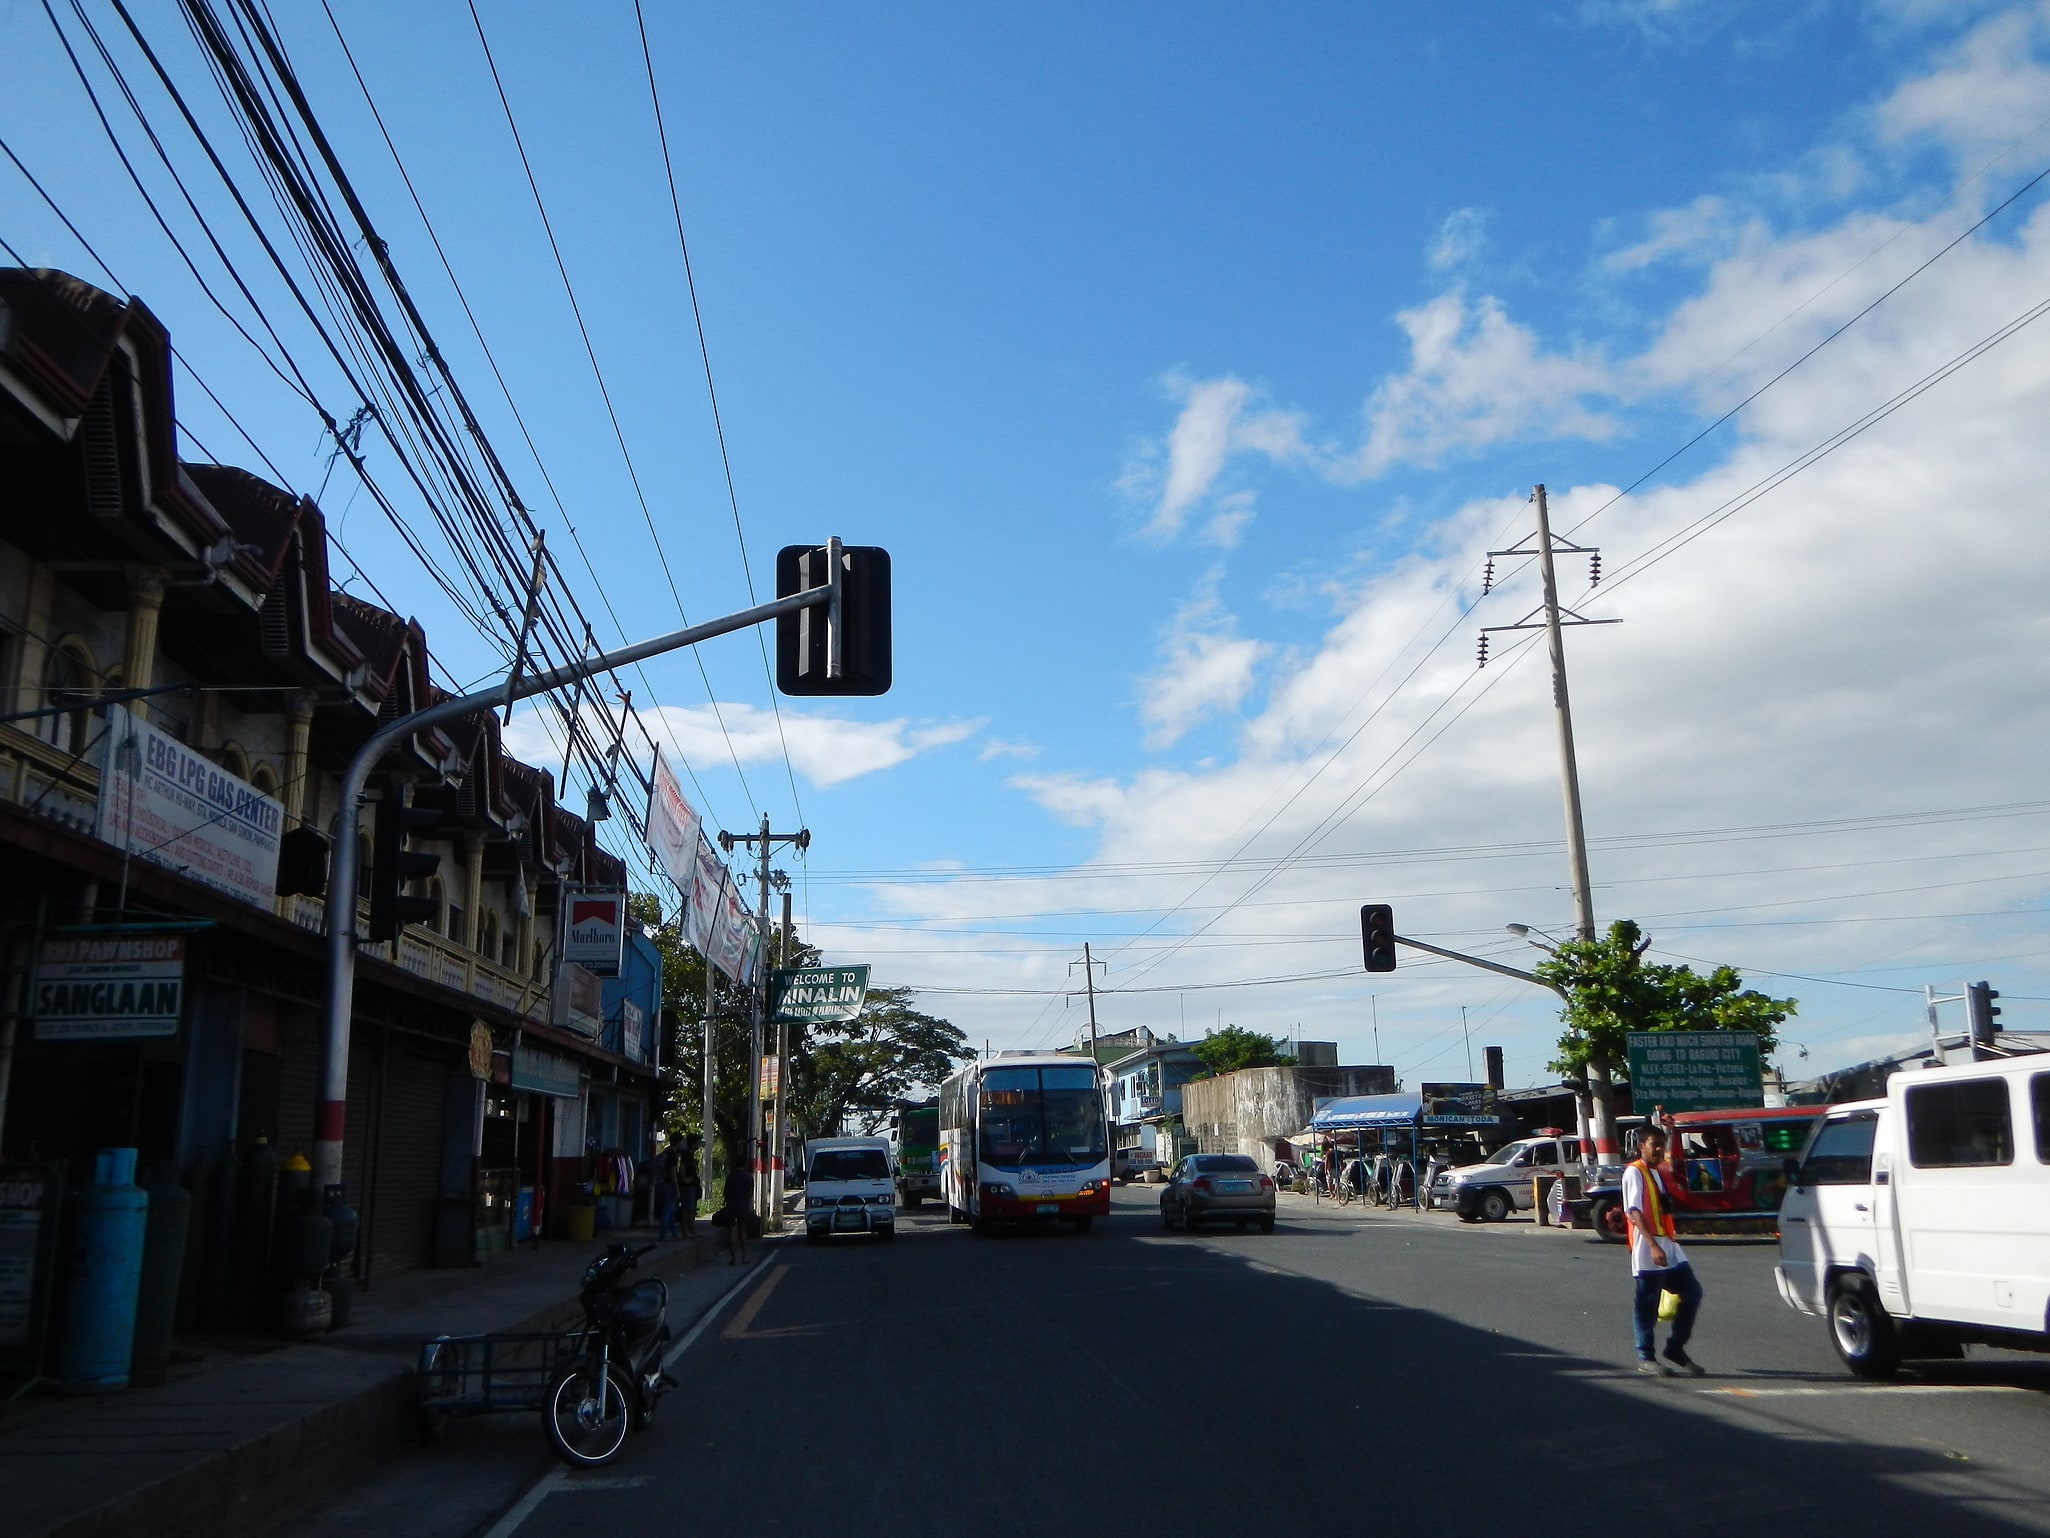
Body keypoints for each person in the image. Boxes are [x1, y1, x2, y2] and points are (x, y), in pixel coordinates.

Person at [1624, 1123, 1705, 1376]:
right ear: (1641, 1147)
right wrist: (1652, 1245)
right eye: (1654, 1145)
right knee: (1647, 1302)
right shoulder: (1634, 1172)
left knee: (1692, 1292)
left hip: (1668, 1244)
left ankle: (1675, 1348)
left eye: (1662, 1145)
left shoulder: (1655, 1172)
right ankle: (1645, 1356)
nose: (1659, 1149)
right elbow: (1633, 1211)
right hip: (1648, 1247)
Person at [720, 1155, 754, 1266]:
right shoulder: (748, 1177)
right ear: (744, 1165)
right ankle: (745, 1257)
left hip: (731, 1205)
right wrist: (749, 1207)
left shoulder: (731, 1176)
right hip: (743, 1205)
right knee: (742, 1230)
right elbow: (749, 1194)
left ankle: (734, 1258)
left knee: (731, 1231)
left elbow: (725, 1192)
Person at [651, 1141, 681, 1242]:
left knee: (671, 1210)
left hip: (661, 1183)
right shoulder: (673, 1156)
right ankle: (662, 1235)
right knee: (668, 1210)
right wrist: (677, 1188)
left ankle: (674, 1233)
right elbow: (673, 1173)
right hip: (670, 1184)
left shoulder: (665, 1152)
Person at [676, 1138, 702, 1238]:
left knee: (690, 1209)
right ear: (693, 1144)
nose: (699, 1145)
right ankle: (685, 1231)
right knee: (686, 1209)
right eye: (698, 1142)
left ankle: (690, 1230)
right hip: (687, 1186)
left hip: (691, 1185)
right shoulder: (686, 1155)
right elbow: (682, 1169)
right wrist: (685, 1179)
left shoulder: (690, 1155)